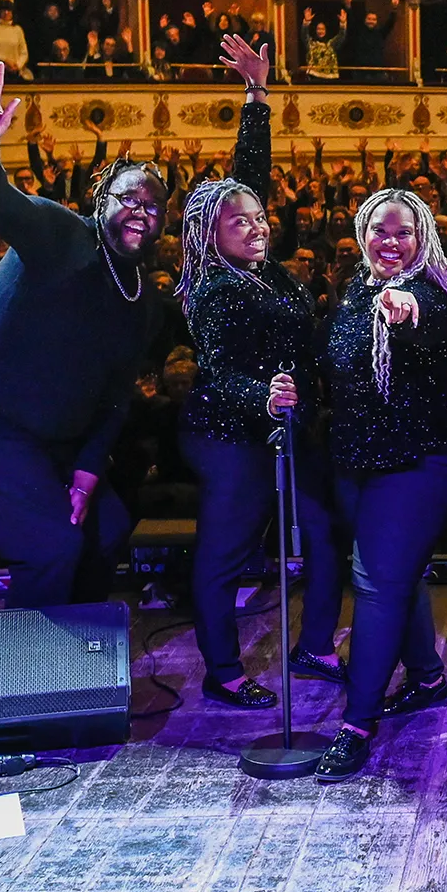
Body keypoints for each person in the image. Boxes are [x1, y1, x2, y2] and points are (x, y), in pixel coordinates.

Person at [0, 58, 162, 608]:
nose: (141, 210)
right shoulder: (61, 234)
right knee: (51, 545)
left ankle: (81, 658)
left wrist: (88, 472)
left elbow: (116, 400)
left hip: (46, 435)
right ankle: (27, 679)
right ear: (101, 206)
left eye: (153, 205)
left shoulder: (142, 299)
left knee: (108, 528)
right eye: (128, 198)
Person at [173, 35, 345, 711]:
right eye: (237, 221)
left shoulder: (267, 269)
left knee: (324, 533)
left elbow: (249, 178)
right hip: (231, 432)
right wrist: (263, 393)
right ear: (209, 235)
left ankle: (317, 644)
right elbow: (215, 368)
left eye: (258, 217)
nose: (255, 224)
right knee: (227, 551)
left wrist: (257, 97)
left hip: (287, 419)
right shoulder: (215, 286)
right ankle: (223, 668)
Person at [312, 188, 447, 782]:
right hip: (361, 458)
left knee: (378, 582)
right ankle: (428, 677)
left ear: (422, 239)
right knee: (395, 572)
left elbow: (421, 323)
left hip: (420, 459)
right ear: (363, 235)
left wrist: (402, 311)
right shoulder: (354, 292)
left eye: (402, 233)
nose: (390, 242)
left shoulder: (428, 293)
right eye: (379, 232)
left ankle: (357, 722)